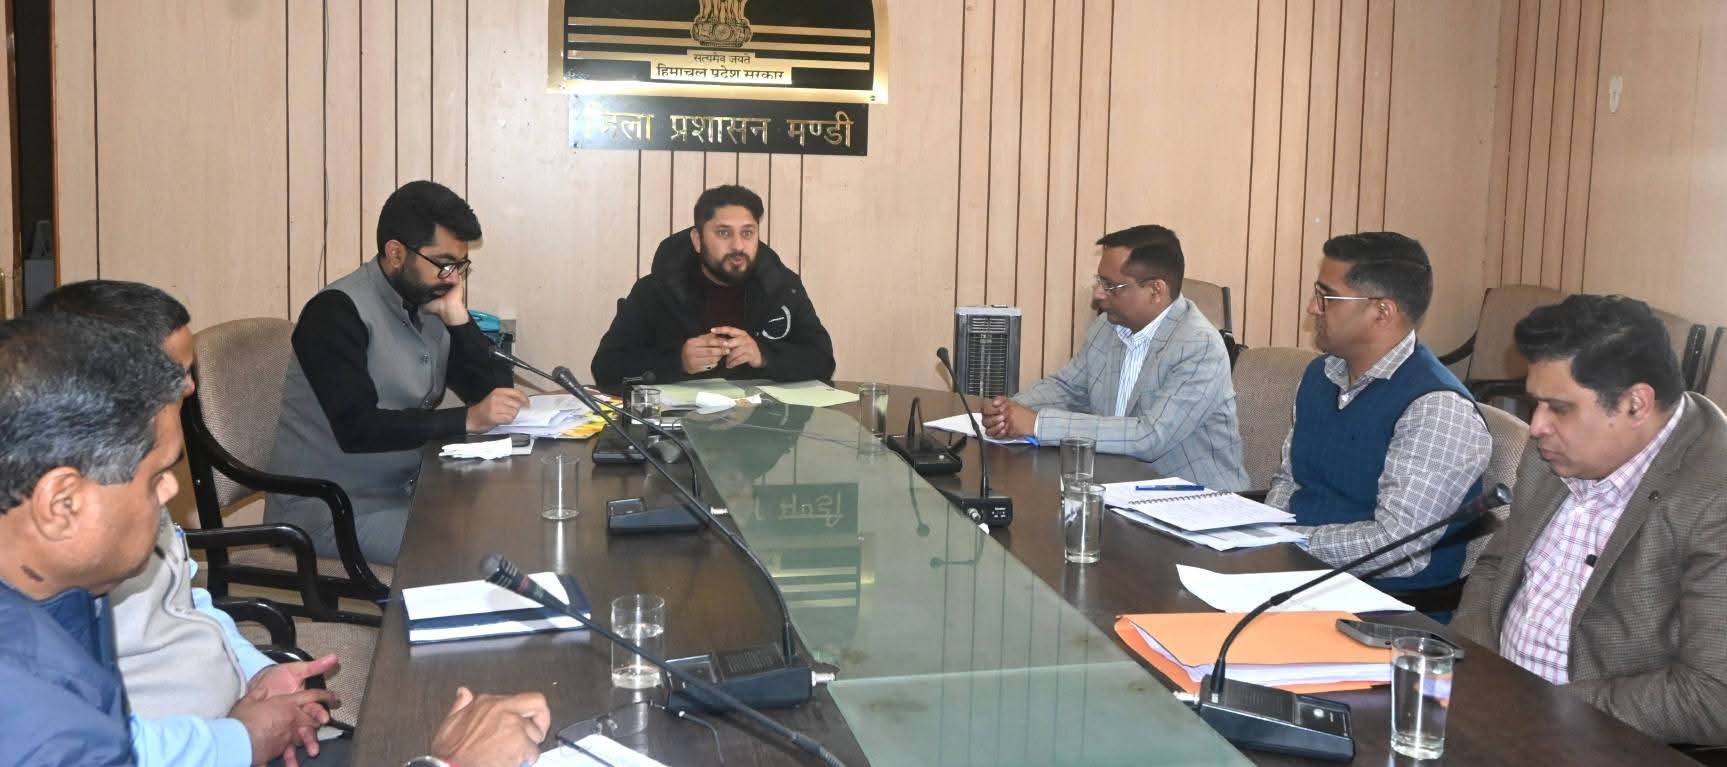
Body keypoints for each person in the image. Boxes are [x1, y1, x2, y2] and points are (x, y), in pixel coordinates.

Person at [0, 313, 552, 767]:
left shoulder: (67, 590)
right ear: (61, 503)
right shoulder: (32, 710)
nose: (170, 494)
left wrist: (248, 693)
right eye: (155, 477)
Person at [38, 279, 346, 766]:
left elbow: (188, 602)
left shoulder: (129, 474)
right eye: (175, 373)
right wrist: (241, 738)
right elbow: (102, 743)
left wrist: (256, 673)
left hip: (230, 724)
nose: (190, 387)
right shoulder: (80, 532)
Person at [1454, 295, 1727, 745]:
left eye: (1559, 407)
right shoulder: (1555, 451)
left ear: (1636, 404)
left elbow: (1713, 696)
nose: (1536, 426)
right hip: (1496, 710)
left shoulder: (1713, 498)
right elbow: (1496, 567)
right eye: (1535, 403)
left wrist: (1544, 707)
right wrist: (1476, 674)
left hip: (1600, 738)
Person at [268, 180, 524, 564]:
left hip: (403, 491)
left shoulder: (426, 303)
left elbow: (493, 392)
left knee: (502, 525)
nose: (453, 278)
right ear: (396, 253)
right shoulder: (334, 313)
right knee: (464, 553)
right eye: (444, 264)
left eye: (460, 266)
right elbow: (357, 427)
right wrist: (467, 419)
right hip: (328, 509)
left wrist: (458, 318)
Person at [1264, 232, 1490, 592]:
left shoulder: (1436, 407)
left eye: (1326, 297)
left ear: (1382, 312)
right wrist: (1264, 535)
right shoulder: (1320, 374)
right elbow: (1289, 480)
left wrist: (1287, 541)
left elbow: (1397, 544)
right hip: (1294, 573)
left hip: (1383, 603)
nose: (1312, 308)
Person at [979, 225, 1249, 491]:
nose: (1098, 294)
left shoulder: (1199, 347)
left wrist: (1038, 424)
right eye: (1099, 282)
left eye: (1111, 286)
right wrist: (1008, 409)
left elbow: (1149, 436)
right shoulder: (1108, 328)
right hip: (1120, 489)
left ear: (1155, 291)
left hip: (1198, 501)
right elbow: (1068, 388)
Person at [591, 184, 835, 386]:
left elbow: (822, 361)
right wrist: (678, 361)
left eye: (748, 233)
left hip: (764, 423)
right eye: (724, 233)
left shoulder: (781, 287)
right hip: (679, 425)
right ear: (698, 240)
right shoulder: (655, 291)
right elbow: (605, 367)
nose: (738, 246)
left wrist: (764, 356)